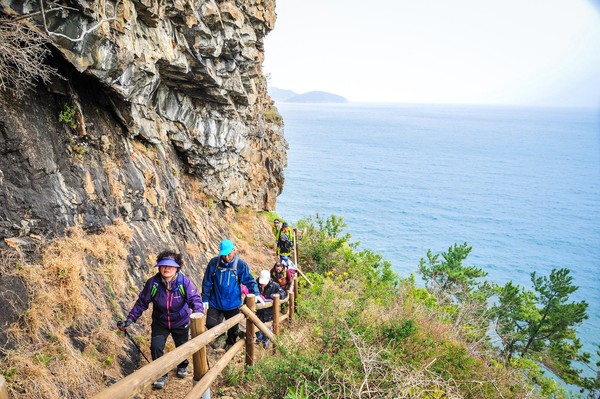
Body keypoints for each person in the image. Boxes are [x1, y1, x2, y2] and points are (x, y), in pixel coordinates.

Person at [117, 250, 203, 390]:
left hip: (181, 321)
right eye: (163, 265)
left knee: (182, 346)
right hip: (160, 321)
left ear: (177, 268)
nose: (166, 268)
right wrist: (130, 319)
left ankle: (182, 366)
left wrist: (198, 313)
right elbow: (141, 303)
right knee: (156, 347)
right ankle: (160, 374)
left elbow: (195, 300)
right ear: (159, 267)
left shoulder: (184, 282)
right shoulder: (153, 283)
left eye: (170, 266)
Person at [202, 240, 262, 348]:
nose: (226, 257)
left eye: (229, 254)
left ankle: (230, 344)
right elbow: (207, 282)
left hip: (233, 303)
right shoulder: (214, 263)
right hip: (216, 301)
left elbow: (249, 280)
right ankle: (221, 336)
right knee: (210, 323)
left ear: (234, 250)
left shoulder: (240, 264)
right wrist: (205, 299)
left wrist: (255, 293)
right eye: (224, 254)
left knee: (233, 328)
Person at [255, 269, 286, 346]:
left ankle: (266, 342)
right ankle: (259, 339)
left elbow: (282, 293)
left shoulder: (275, 285)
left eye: (264, 283)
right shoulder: (255, 284)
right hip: (258, 311)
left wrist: (275, 296)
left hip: (269, 312)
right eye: (261, 283)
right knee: (257, 326)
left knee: (267, 327)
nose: (263, 285)